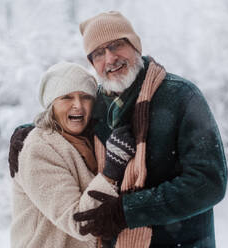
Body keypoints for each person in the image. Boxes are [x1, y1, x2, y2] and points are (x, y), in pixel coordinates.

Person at [9, 11, 228, 248]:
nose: (110, 58)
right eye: (99, 53)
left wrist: (128, 211)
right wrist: (29, 131)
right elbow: (67, 121)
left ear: (135, 46)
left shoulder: (181, 97)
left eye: (116, 45)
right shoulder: (101, 105)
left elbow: (209, 182)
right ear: (93, 64)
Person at [10, 61, 136, 248]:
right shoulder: (38, 150)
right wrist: (111, 172)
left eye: (85, 97)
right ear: (51, 105)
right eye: (66, 97)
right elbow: (80, 222)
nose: (78, 105)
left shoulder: (92, 141)